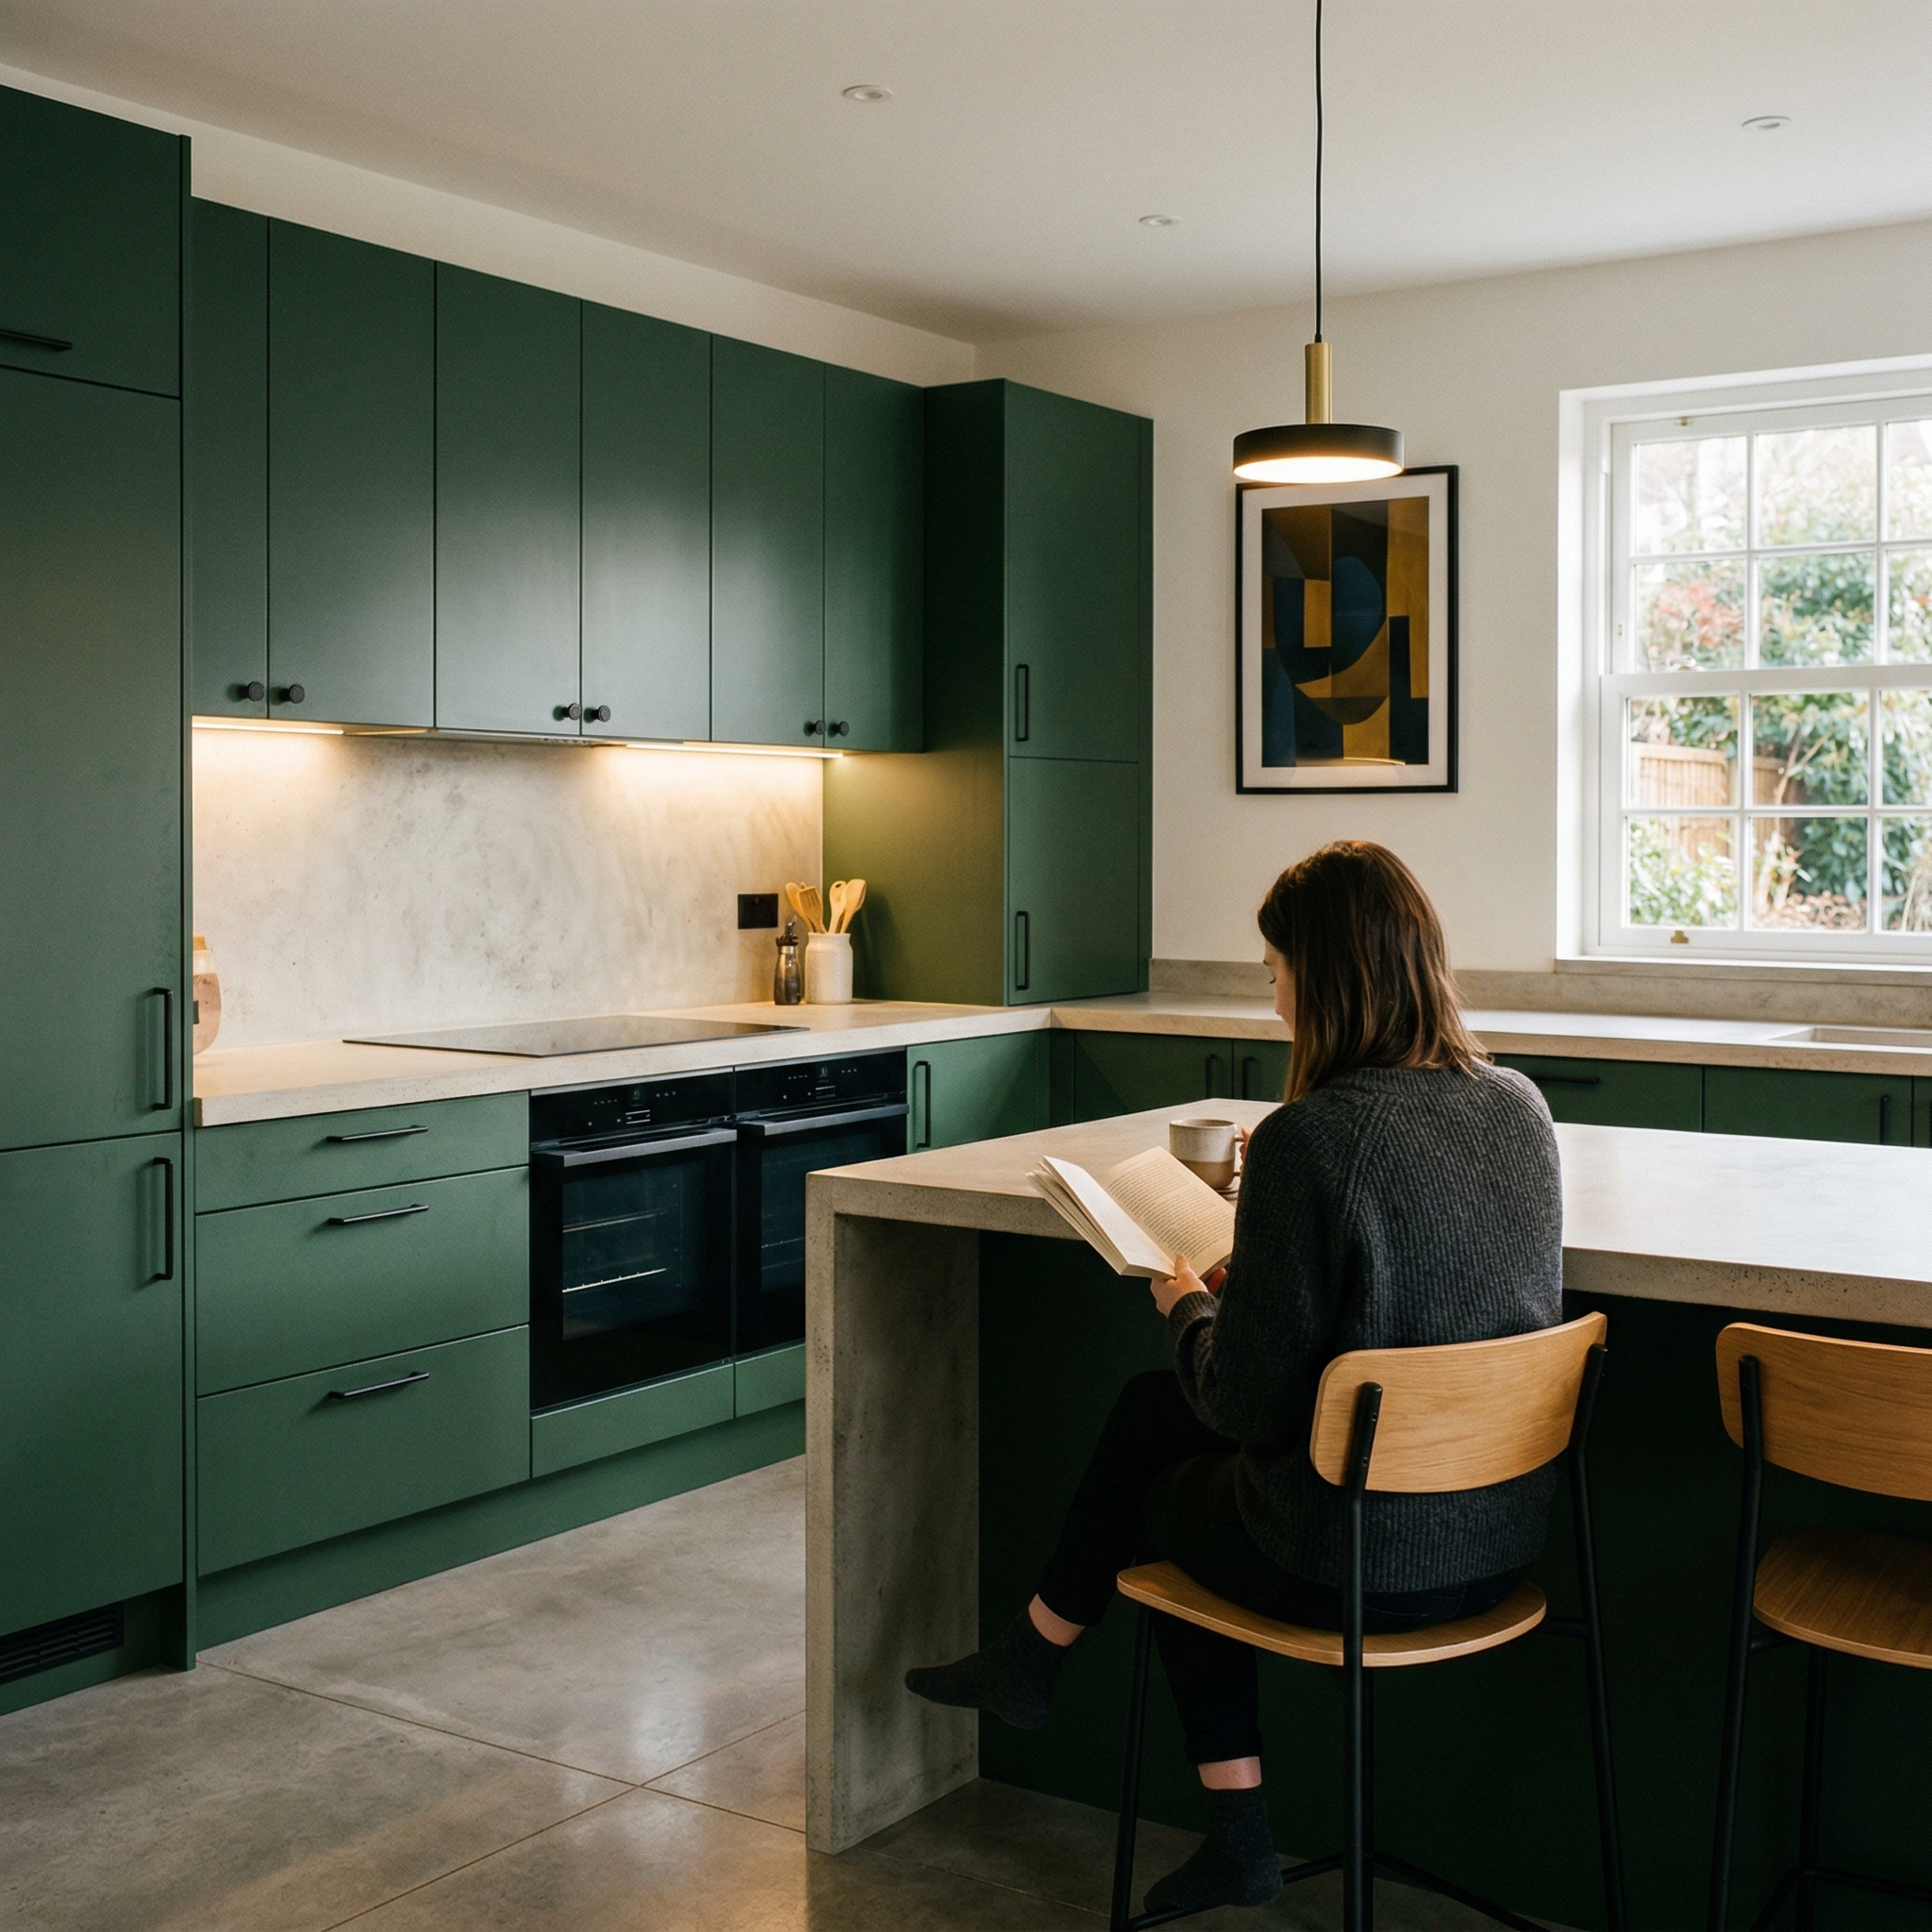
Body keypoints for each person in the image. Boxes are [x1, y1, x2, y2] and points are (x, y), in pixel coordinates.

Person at [905, 841, 1564, 1916]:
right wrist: (1265, 1250)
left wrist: (1188, 1303)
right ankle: (1027, 1655)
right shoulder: (1518, 1106)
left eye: (1272, 973)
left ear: (1323, 974)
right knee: (1147, 1412)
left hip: (1358, 1559)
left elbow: (1242, 1403)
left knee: (1163, 1501)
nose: (1270, 1000)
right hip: (1495, 1541)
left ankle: (1224, 1822)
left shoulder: (1313, 1136)